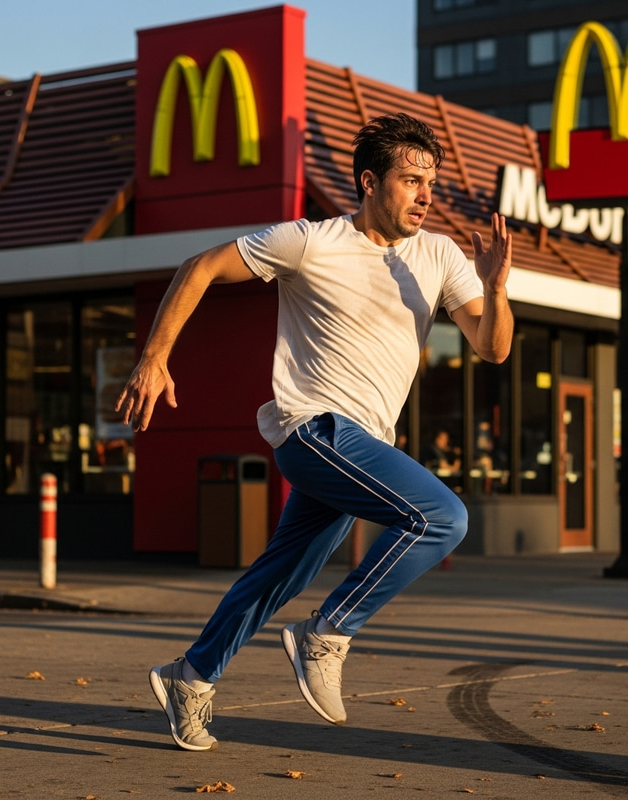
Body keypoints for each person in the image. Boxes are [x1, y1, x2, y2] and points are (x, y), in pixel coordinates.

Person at [115, 113, 513, 751]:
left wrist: (495, 288)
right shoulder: (310, 241)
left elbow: (492, 348)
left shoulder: (437, 255)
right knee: (441, 517)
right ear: (368, 181)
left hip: (364, 447)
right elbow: (200, 266)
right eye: (410, 180)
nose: (425, 194)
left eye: (429, 181)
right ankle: (328, 633)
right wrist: (154, 356)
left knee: (282, 573)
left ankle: (189, 677)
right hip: (314, 429)